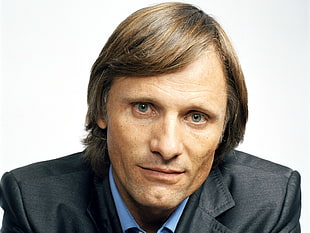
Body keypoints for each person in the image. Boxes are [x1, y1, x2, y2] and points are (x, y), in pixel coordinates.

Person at [0, 2, 301, 233]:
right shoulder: (33, 203)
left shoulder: (269, 204)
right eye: (143, 108)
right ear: (101, 109)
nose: (167, 147)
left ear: (225, 127)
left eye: (196, 117)